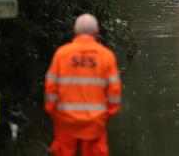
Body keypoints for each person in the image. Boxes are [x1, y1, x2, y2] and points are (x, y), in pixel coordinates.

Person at [44, 14, 122, 156]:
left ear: (75, 31)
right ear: (97, 33)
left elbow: (50, 89)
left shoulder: (62, 55)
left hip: (66, 123)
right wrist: (105, 116)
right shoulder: (106, 56)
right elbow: (114, 93)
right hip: (95, 123)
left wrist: (56, 115)